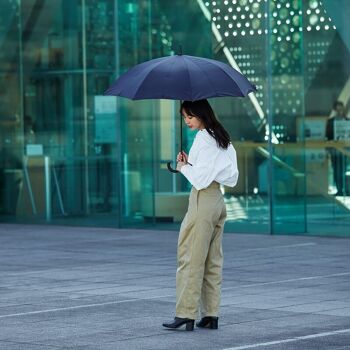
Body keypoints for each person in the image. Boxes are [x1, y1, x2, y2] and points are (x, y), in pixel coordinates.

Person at [162, 99, 239, 331]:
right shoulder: (221, 136)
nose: (186, 121)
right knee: (212, 260)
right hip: (217, 200)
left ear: (202, 114)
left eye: (190, 117)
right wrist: (190, 164)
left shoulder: (204, 139)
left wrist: (183, 167)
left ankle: (186, 313)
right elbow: (231, 176)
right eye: (184, 117)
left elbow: (200, 179)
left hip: (203, 199)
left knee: (190, 257)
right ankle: (210, 314)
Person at [325, 100, 349, 196]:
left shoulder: (348, 121)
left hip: (345, 149)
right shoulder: (330, 122)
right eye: (338, 109)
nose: (339, 111)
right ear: (335, 110)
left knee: (343, 169)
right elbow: (328, 136)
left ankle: (344, 189)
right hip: (334, 149)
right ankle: (339, 189)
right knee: (336, 169)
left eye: (341, 109)